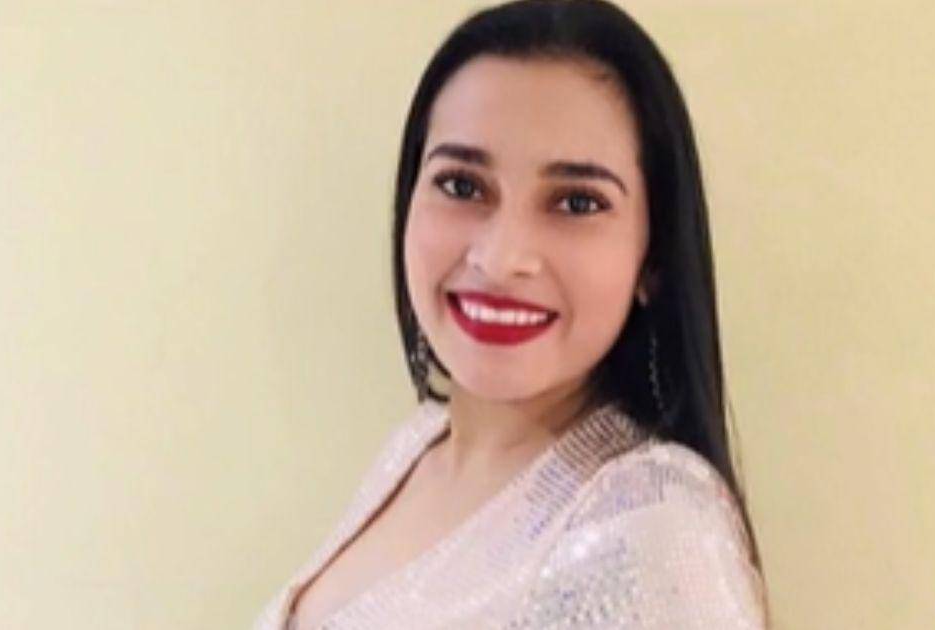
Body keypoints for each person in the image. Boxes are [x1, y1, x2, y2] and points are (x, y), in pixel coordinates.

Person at [254, 1, 768, 627]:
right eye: (462, 186)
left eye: (576, 202)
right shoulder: (417, 445)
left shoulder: (652, 529)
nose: (500, 260)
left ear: (653, 256)